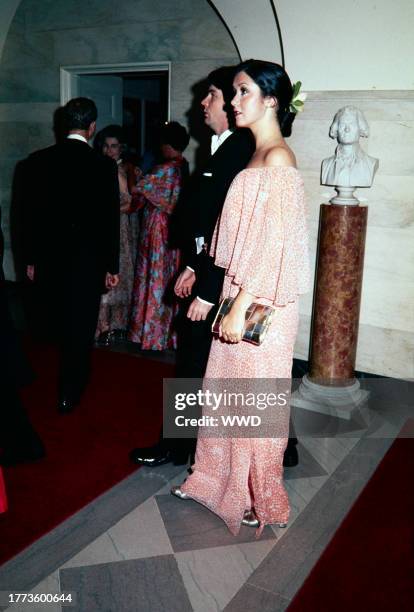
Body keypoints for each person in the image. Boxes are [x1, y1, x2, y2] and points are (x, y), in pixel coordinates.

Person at [171, 60, 310, 535]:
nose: (233, 101)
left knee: (259, 405)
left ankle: (261, 497)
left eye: (243, 91)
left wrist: (240, 303)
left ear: (271, 100)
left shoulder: (278, 160)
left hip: (260, 298)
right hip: (239, 289)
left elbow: (275, 241)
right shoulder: (255, 154)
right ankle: (217, 481)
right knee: (226, 397)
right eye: (232, 91)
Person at [129, 66, 255, 466]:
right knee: (223, 365)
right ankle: (281, 444)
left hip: (221, 277)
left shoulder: (241, 149)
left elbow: (236, 229)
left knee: (201, 363)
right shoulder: (218, 146)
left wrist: (204, 282)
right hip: (206, 265)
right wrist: (193, 264)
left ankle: (177, 443)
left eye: (212, 95)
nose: (204, 103)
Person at [24, 97, 120, 413]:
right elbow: (110, 220)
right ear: (91, 128)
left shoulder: (36, 161)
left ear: (64, 125)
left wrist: (30, 260)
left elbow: (27, 217)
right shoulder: (103, 165)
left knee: (57, 322)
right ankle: (70, 390)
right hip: (87, 263)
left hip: (50, 259)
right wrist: (111, 264)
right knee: (80, 327)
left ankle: (59, 381)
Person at [128, 121, 189, 351]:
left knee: (153, 278)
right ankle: (168, 334)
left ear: (167, 144)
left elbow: (137, 189)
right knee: (169, 278)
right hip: (174, 228)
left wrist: (132, 172)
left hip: (157, 227)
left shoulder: (163, 169)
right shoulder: (184, 165)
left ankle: (151, 335)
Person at [94, 125, 135, 344]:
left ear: (121, 149)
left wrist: (106, 213)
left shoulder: (119, 172)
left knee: (117, 271)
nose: (110, 151)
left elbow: (129, 203)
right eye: (106, 146)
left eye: (114, 146)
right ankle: (101, 323)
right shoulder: (100, 167)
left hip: (119, 226)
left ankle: (114, 324)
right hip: (105, 226)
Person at [321, 105, 379, 188]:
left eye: (352, 124)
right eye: (342, 125)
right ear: (336, 129)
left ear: (360, 128)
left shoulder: (371, 163)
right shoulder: (327, 164)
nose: (347, 129)